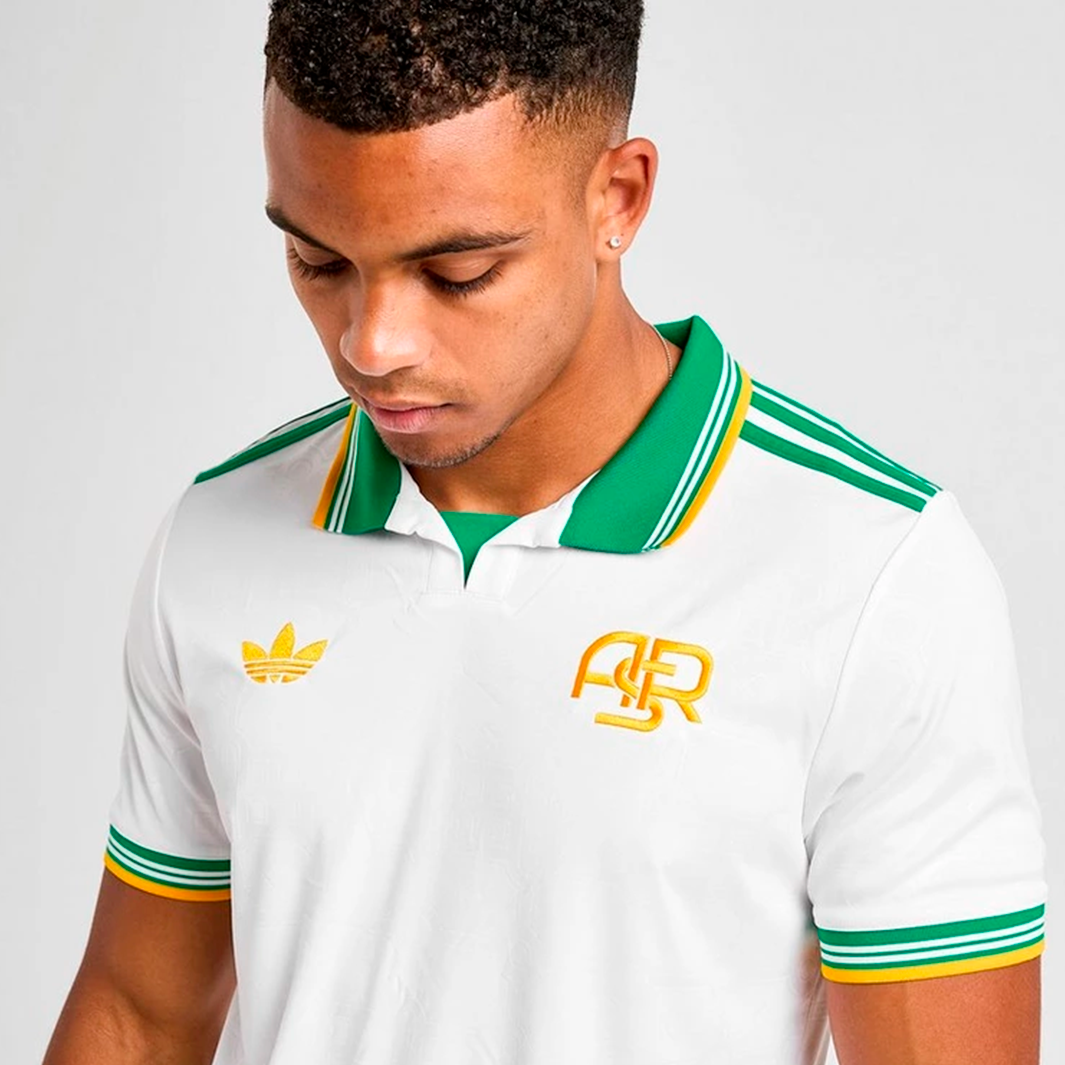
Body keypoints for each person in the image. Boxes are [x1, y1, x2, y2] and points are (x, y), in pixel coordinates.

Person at [44, 2, 1046, 1063]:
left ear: (618, 198)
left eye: (457, 273)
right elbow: (141, 1014)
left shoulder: (875, 575)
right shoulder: (217, 538)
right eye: (318, 260)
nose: (372, 344)